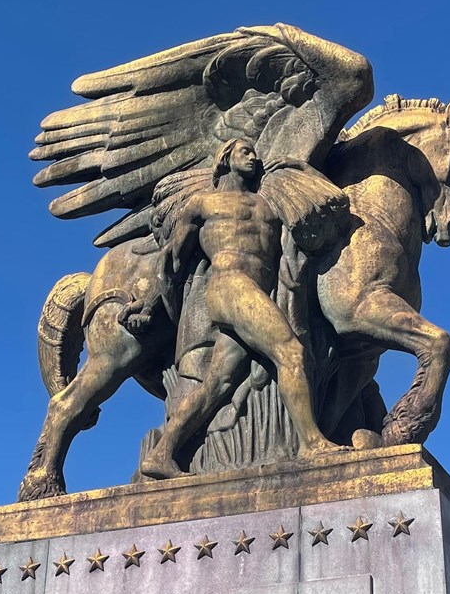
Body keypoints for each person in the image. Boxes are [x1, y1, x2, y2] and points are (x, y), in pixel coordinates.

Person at [135, 138, 339, 478]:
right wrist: (150, 304)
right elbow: (172, 259)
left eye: (255, 152)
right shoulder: (201, 204)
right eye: (245, 151)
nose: (254, 156)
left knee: (218, 384)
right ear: (225, 158)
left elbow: (310, 226)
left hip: (259, 291)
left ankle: (162, 453)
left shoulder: (269, 206)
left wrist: (303, 169)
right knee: (291, 353)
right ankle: (312, 443)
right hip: (229, 285)